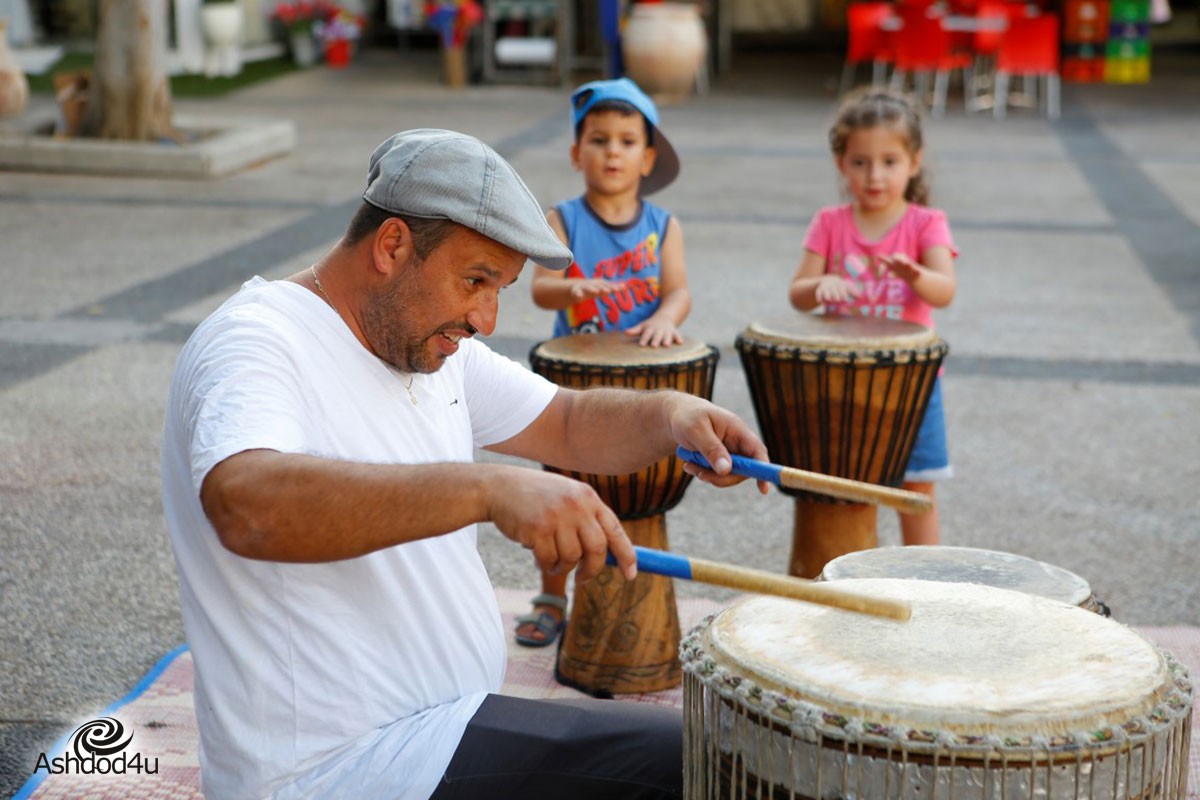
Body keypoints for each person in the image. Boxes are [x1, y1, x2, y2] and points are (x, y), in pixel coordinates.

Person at [161, 128, 767, 800]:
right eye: (476, 280)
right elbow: (247, 505)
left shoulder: (427, 344)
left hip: (438, 733)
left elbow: (566, 421)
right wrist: (486, 487)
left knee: (711, 749)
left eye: (501, 287)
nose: (485, 316)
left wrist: (668, 416)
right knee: (698, 762)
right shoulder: (256, 340)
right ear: (392, 246)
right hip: (331, 770)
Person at [515, 77, 692, 648]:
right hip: (576, 385)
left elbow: (679, 291)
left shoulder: (663, 225)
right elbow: (541, 287)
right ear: (575, 153)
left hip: (639, 377)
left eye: (625, 141)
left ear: (647, 157)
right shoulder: (562, 219)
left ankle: (631, 591)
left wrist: (667, 317)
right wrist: (571, 290)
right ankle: (550, 595)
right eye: (598, 140)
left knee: (636, 487)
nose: (612, 151)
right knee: (560, 492)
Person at [787, 88, 958, 546]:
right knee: (850, 490)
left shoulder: (925, 223)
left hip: (912, 380)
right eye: (860, 162)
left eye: (889, 161)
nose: (874, 175)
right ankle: (857, 581)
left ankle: (924, 587)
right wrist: (817, 287)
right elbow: (797, 294)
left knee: (916, 489)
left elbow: (945, 291)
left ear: (914, 162)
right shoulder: (829, 222)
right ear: (842, 164)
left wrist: (917, 273)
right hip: (847, 379)